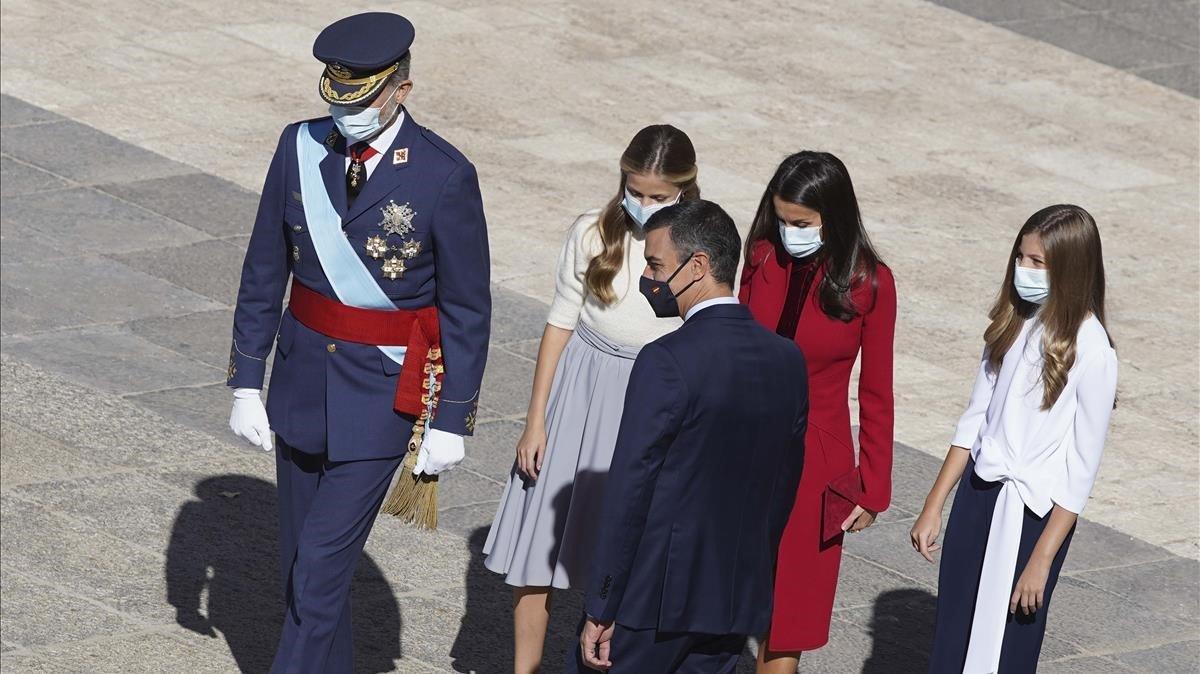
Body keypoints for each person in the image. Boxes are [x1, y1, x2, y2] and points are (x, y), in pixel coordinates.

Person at [225, 12, 490, 672]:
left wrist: (452, 419)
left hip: (380, 396)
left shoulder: (442, 175)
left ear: (401, 87)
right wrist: (245, 380)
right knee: (301, 572)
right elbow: (265, 268)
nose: (348, 114)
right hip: (298, 381)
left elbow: (465, 308)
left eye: (364, 99)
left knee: (316, 571)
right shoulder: (297, 147)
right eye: (337, 98)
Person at [482, 125, 699, 672]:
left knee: (624, 544)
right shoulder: (591, 233)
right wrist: (535, 421)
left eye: (658, 196)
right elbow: (559, 324)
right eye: (635, 190)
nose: (643, 204)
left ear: (684, 190)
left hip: (650, 398)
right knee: (538, 551)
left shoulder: (697, 247)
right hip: (579, 393)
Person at [573, 200, 809, 674]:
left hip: (653, 602)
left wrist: (603, 601)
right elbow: (783, 488)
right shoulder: (787, 360)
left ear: (698, 266)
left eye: (657, 265)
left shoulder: (667, 360)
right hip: (732, 599)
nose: (649, 279)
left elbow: (630, 488)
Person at [912, 204, 1117, 673]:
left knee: (1010, 647)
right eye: (1020, 258)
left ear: (1071, 268)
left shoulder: (1093, 351)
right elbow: (974, 420)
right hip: (979, 498)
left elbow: (1080, 472)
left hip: (1035, 518)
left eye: (1037, 263)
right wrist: (934, 504)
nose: (1023, 270)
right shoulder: (1011, 325)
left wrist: (1042, 558)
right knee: (954, 633)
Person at [738, 151, 896, 671]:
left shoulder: (870, 283)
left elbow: (875, 393)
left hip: (816, 458)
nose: (789, 232)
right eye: (781, 219)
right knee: (724, 594)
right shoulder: (760, 256)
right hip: (743, 443)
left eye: (801, 223)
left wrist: (872, 487)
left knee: (789, 619)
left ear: (834, 217)